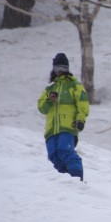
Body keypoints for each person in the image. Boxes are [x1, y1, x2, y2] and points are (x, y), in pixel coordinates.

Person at [37, 53, 90, 181]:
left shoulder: (74, 85)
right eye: (58, 68)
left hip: (67, 126)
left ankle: (77, 179)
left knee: (64, 150)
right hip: (51, 129)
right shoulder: (50, 87)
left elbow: (83, 103)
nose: (60, 71)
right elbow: (41, 108)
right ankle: (65, 181)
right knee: (53, 155)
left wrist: (80, 119)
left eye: (63, 68)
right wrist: (50, 100)